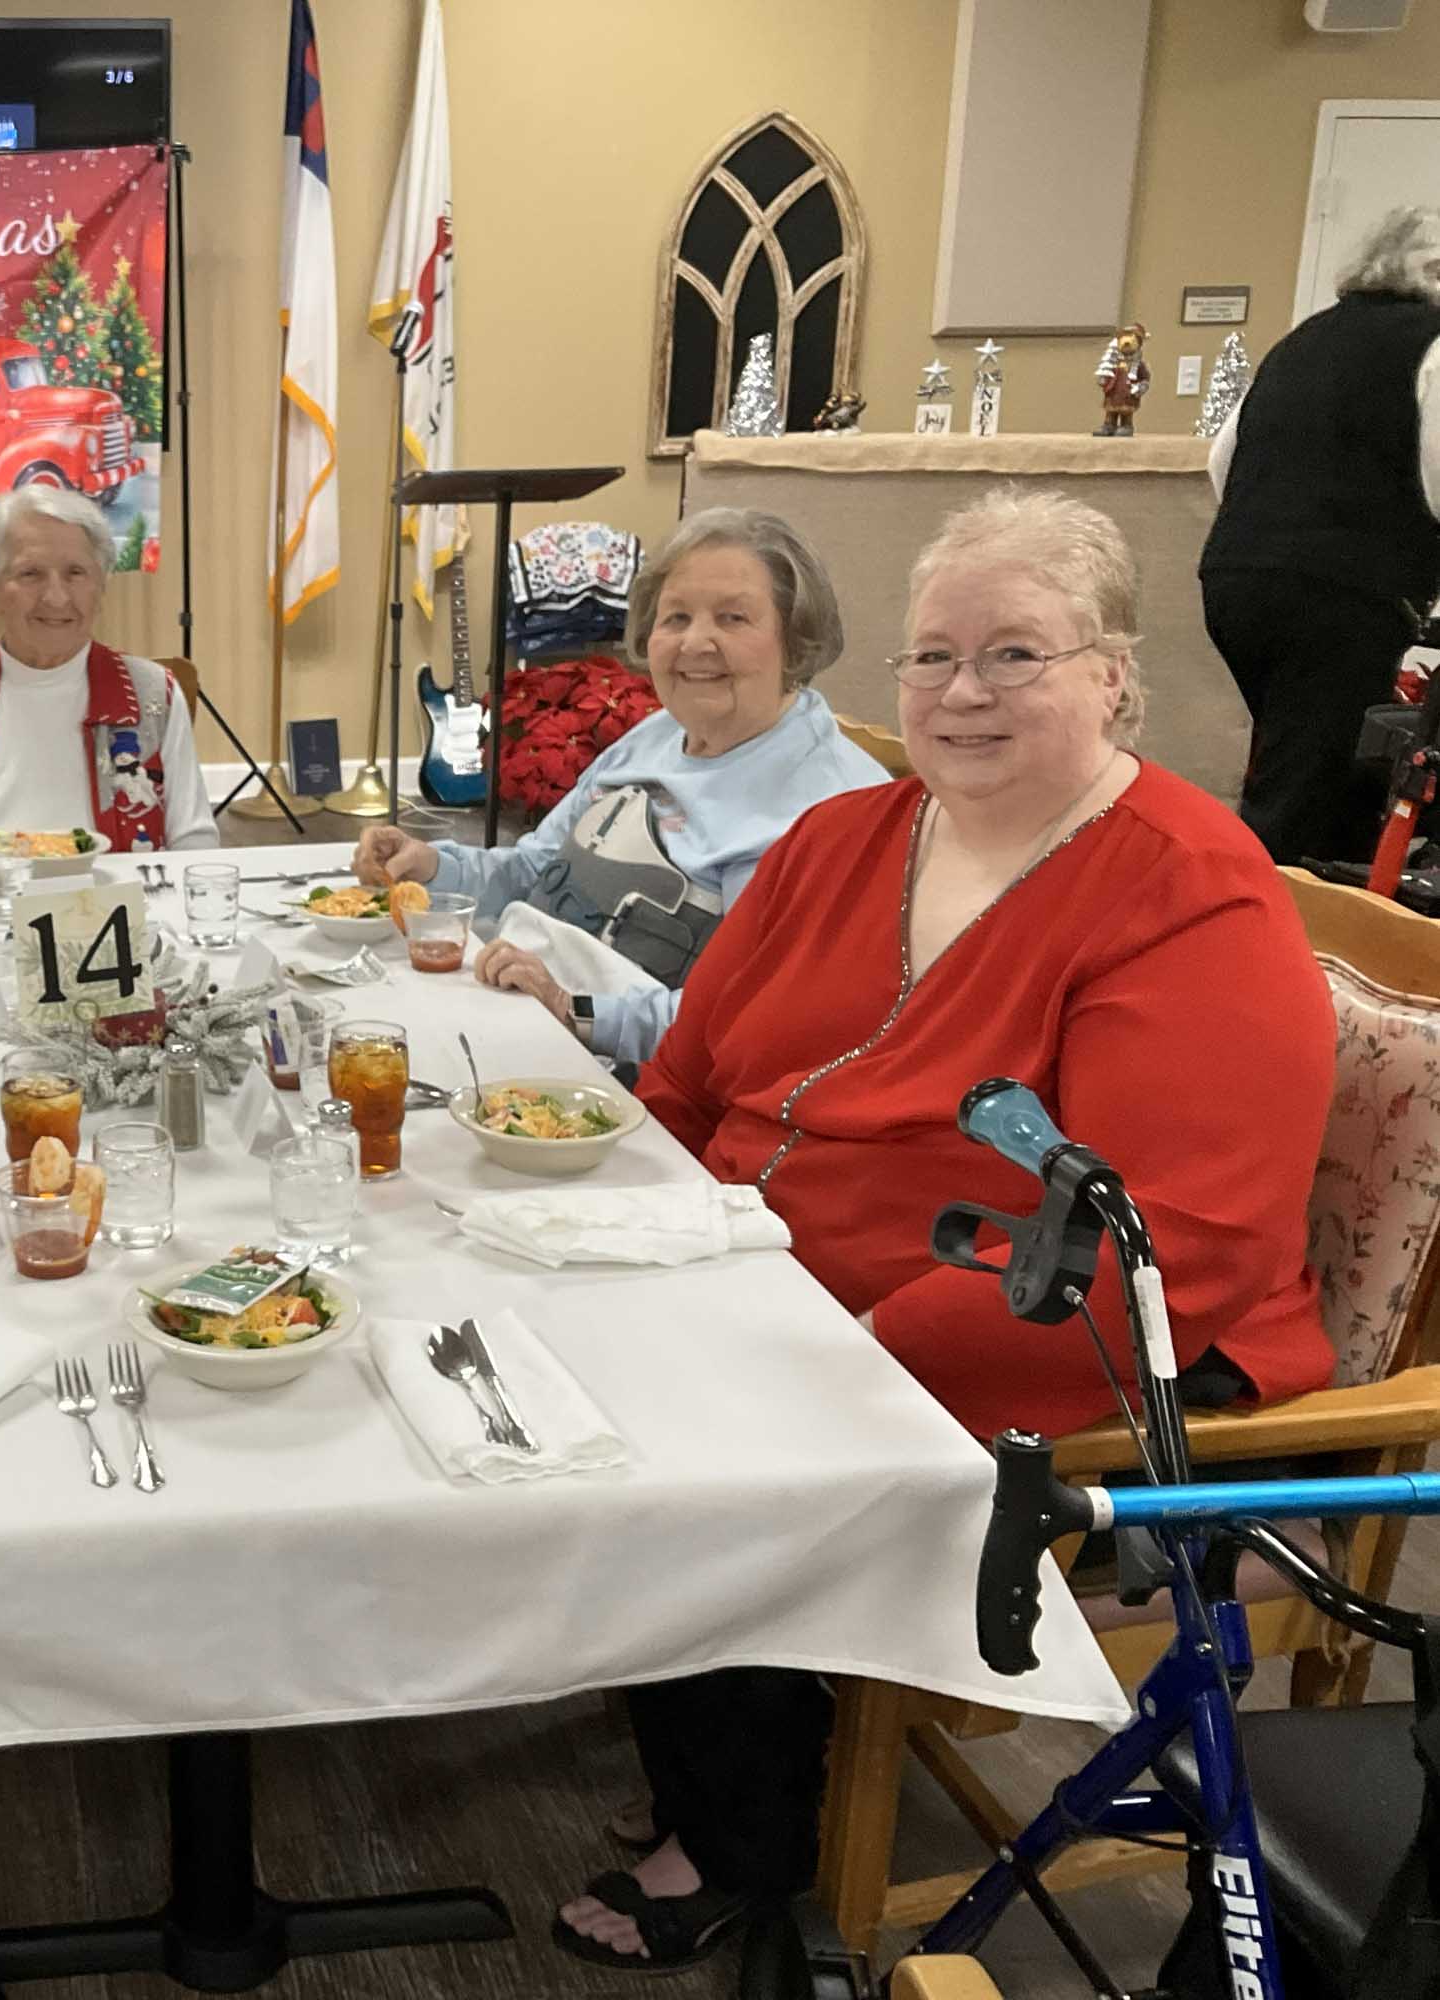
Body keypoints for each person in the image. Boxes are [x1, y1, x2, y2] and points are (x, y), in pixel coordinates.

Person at [557, 490, 1336, 1973]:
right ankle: (692, 1697)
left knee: (716, 1437)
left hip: (1047, 1332)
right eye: (930, 656)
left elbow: (1167, 1242)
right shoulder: (841, 837)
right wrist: (638, 1229)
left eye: (1013, 654)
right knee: (559, 1343)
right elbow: (688, 1081)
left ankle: (744, 1832)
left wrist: (851, 1347)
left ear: (1113, 674)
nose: (960, 692)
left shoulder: (1185, 892)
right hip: (764, 1267)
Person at [351, 508, 885, 1065]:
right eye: (676, 617)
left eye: (733, 618)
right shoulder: (657, 735)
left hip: (639, 1082)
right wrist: (433, 865)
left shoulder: (831, 809)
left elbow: (749, 1018)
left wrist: (574, 1010)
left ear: (795, 640)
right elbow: (537, 867)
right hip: (521, 1014)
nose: (695, 642)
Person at [1202, 204, 1440, 866]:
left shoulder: (1302, 339)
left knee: (1304, 763)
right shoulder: (1432, 342)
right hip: (1343, 587)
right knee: (1313, 788)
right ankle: (1272, 911)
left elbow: (1221, 459)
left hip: (1236, 577)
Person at [0, 487, 217, 860]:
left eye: (75, 573)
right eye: (30, 574)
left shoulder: (153, 694)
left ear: (101, 586)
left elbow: (194, 844)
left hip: (117, 895)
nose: (56, 597)